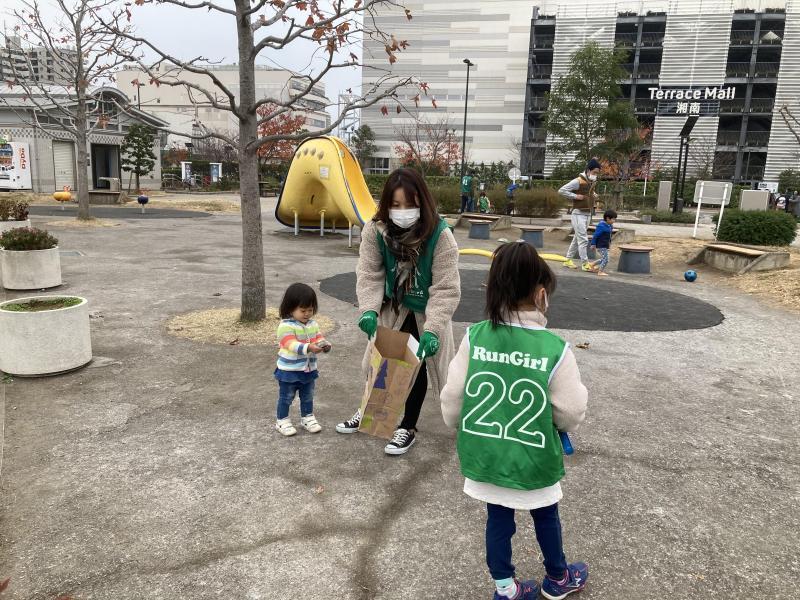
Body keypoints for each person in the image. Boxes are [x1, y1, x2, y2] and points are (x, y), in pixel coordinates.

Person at [440, 241, 589, 600]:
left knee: (498, 519)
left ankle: (505, 589)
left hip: (488, 455)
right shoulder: (555, 349)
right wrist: (560, 427)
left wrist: (456, 424)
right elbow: (571, 411)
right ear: (541, 294)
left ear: (491, 290)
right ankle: (558, 577)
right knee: (546, 516)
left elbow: (453, 396)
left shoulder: (475, 337)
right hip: (534, 456)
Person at [336, 168, 461, 455]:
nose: (402, 211)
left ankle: (407, 426)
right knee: (380, 362)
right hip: (395, 306)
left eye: (409, 204)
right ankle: (368, 410)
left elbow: (446, 287)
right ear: (386, 204)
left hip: (427, 311)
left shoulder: (440, 235)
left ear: (422, 202)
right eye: (395, 204)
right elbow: (369, 273)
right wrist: (369, 310)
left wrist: (433, 329)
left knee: (416, 365)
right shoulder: (375, 230)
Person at [274, 283, 331, 437]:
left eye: (310, 310)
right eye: (303, 310)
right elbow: (290, 344)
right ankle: (282, 420)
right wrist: (309, 347)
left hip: (308, 369)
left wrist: (324, 344)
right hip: (289, 371)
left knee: (308, 396)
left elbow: (318, 337)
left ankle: (307, 417)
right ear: (290, 308)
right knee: (286, 397)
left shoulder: (313, 324)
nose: (307, 314)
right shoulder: (285, 326)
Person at [559, 159, 601, 272]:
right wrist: (575, 196)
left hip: (587, 213)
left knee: (577, 238)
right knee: (583, 240)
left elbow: (589, 192)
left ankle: (567, 260)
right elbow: (562, 190)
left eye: (597, 173)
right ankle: (585, 264)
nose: (596, 175)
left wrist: (594, 195)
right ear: (588, 170)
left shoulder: (590, 182)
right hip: (578, 214)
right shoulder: (578, 181)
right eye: (594, 172)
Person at [589, 209, 617, 277]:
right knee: (606, 259)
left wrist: (609, 243)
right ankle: (600, 271)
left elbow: (609, 235)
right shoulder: (601, 226)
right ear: (607, 218)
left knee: (604, 258)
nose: (614, 221)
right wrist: (593, 244)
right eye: (613, 219)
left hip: (605, 245)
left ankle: (592, 264)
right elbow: (596, 235)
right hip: (601, 245)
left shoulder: (610, 225)